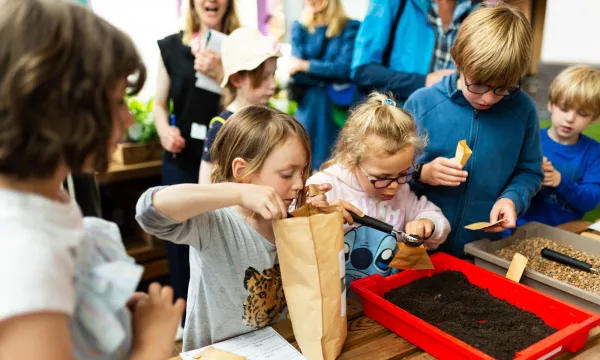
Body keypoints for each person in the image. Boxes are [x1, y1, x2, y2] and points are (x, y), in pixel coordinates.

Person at [0, 1, 184, 359]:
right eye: (117, 102)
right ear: (60, 111)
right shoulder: (24, 255)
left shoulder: (48, 203)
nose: (129, 119)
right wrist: (152, 344)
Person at [136, 105, 345, 350]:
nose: (299, 183)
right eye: (287, 174)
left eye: (304, 171)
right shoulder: (214, 223)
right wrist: (237, 193)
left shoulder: (290, 219)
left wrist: (314, 223)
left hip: (277, 348)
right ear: (242, 171)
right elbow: (148, 211)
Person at [404, 4, 543, 256]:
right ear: (457, 62)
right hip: (420, 249)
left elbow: (530, 171)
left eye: (503, 88)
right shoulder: (421, 104)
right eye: (478, 85)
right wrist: (421, 173)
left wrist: (512, 199)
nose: (488, 98)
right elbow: (389, 170)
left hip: (485, 250)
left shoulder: (523, 110)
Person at [154, 0, 240, 325]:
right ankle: (183, 318)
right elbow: (159, 105)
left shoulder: (238, 46)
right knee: (178, 240)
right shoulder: (171, 47)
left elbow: (251, 103)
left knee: (222, 237)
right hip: (180, 159)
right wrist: (165, 130)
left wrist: (222, 75)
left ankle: (219, 315)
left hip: (225, 163)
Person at [307, 92, 450, 287]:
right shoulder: (325, 187)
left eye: (403, 173)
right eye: (382, 178)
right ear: (350, 159)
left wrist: (428, 223)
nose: (394, 186)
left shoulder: (402, 193)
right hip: (337, 304)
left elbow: (436, 219)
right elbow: (293, 233)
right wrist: (320, 215)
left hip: (381, 299)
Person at [351, 0, 480, 104]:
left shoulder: (480, 9)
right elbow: (362, 72)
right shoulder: (393, 3)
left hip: (450, 123)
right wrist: (423, 81)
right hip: (398, 123)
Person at [519, 66, 600, 226]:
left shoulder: (594, 153)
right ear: (551, 104)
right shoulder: (529, 139)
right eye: (564, 108)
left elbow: (590, 200)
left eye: (582, 114)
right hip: (517, 227)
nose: (570, 118)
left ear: (594, 118)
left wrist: (559, 181)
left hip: (564, 233)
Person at [199, 27, 280, 184]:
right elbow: (205, 186)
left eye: (273, 74)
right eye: (264, 77)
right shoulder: (221, 127)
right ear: (236, 79)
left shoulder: (274, 120)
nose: (273, 84)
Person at [289, 0, 360, 171]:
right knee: (302, 162)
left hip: (335, 108)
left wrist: (307, 66)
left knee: (334, 165)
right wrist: (327, 74)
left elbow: (345, 69)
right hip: (307, 108)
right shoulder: (299, 27)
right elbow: (296, 74)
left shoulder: (350, 27)